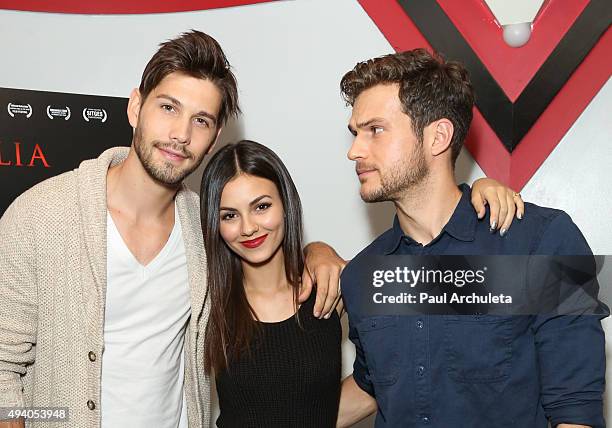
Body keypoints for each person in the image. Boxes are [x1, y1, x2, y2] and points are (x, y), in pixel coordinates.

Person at [0, 31, 344, 428]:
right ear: (135, 107)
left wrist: (318, 251)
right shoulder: (41, 216)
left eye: (201, 120)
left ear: (214, 138)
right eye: (168, 108)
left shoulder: (207, 228)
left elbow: (265, 263)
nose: (181, 134)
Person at [336, 49, 606, 428]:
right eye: (355, 134)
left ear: (438, 137)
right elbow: (373, 385)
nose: (354, 151)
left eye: (375, 130)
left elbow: (575, 409)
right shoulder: (362, 274)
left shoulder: (538, 242)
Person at [199, 140, 343, 427]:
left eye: (261, 207)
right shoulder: (207, 304)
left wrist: (318, 249)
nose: (249, 227)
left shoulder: (329, 288)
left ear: (286, 204)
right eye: (230, 215)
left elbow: (389, 374)